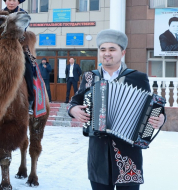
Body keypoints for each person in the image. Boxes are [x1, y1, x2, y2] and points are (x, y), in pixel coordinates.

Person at [68, 29, 166, 190]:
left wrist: (160, 117)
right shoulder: (89, 77)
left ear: (123, 52)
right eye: (103, 49)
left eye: (112, 49)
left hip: (128, 155)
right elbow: (75, 101)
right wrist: (74, 110)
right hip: (98, 155)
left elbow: (153, 106)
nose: (107, 53)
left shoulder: (137, 77)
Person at [1, 0, 36, 113]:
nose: (11, 2)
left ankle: (30, 101)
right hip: (1, 46)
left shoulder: (23, 14)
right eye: (9, 0)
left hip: (18, 46)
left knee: (28, 68)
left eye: (14, 0)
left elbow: (20, 31)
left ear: (18, 2)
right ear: (6, 1)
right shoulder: (0, 14)